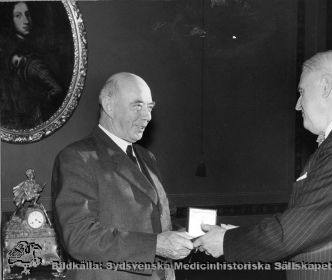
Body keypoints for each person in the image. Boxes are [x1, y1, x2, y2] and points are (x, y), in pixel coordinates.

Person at [194, 50, 332, 280]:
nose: (298, 105)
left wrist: (227, 242)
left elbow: (296, 230)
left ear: (325, 86)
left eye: (302, 92)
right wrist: (239, 234)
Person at [52, 73, 193, 280]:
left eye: (150, 107)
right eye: (138, 106)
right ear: (109, 106)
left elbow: (150, 222)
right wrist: (157, 245)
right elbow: (79, 237)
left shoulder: (147, 157)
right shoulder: (77, 158)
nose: (148, 116)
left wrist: (187, 237)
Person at [0, 1, 63, 129]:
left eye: (28, 14)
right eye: (18, 15)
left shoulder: (34, 51)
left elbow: (57, 91)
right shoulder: (12, 54)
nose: (26, 20)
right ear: (10, 20)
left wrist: (37, 105)